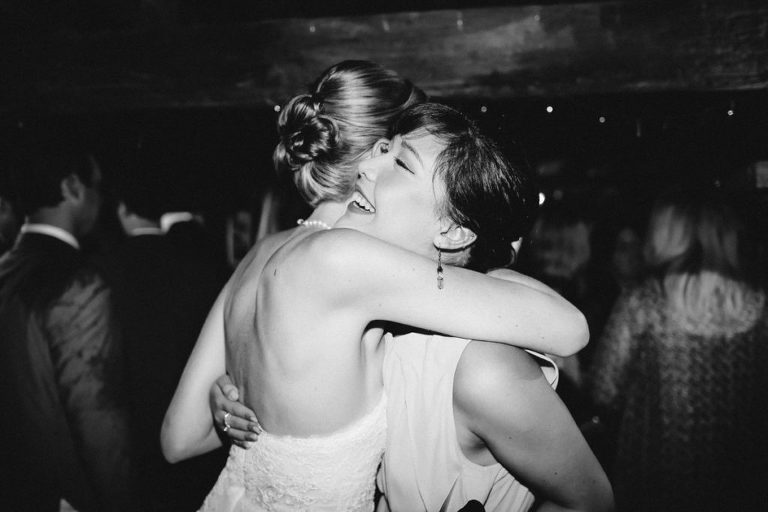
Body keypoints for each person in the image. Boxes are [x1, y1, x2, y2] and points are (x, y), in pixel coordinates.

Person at [162, 63, 591, 510]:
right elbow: (569, 329)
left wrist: (228, 402)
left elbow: (179, 438)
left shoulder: (261, 252)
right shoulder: (341, 259)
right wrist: (483, 258)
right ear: (372, 148)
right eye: (395, 148)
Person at [589, 187, 768, 512]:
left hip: (657, 483)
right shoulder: (759, 306)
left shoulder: (645, 303)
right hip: (742, 483)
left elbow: (604, 389)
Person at [0, 142, 132, 511]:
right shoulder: (76, 283)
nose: (100, 200)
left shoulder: (6, 270)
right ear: (73, 187)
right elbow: (97, 415)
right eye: (97, 187)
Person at [111, 162, 226, 511]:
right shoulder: (204, 268)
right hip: (193, 423)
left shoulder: (102, 270)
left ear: (121, 209)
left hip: (127, 428)